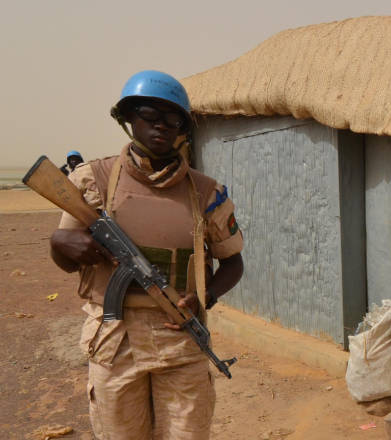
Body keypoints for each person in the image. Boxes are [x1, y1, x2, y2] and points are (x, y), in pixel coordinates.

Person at [48, 70, 245, 440]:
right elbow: (67, 260)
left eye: (173, 120)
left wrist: (204, 297)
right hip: (113, 339)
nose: (162, 127)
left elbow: (233, 262)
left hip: (180, 336)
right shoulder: (94, 181)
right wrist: (59, 244)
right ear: (127, 119)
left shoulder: (206, 193)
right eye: (149, 116)